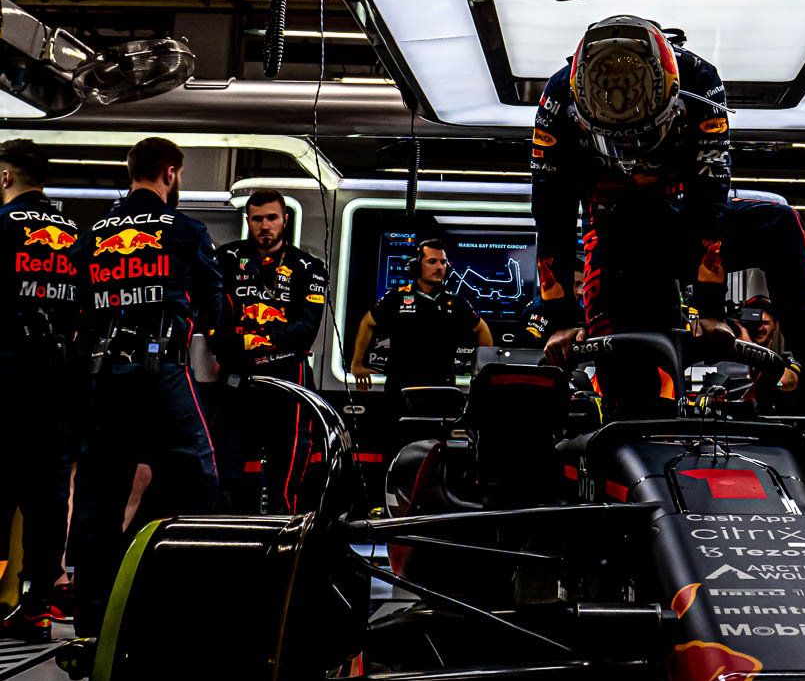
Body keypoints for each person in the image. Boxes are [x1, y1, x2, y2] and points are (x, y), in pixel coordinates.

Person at [530, 14, 805, 413]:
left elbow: (710, 202)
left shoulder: (701, 83)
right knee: (629, 394)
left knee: (778, 220)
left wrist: (711, 309)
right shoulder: (557, 101)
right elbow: (553, 216)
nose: (632, 159)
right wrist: (560, 318)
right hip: (613, 243)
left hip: (681, 224)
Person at [68, 137, 222, 638]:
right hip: (161, 377)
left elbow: (76, 309)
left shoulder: (90, 237)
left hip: (102, 379)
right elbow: (216, 308)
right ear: (171, 173)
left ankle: (92, 620)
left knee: (97, 496)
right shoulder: (185, 230)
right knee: (196, 480)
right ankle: (167, 604)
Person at [0, 140, 80, 641]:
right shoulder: (79, 235)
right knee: (49, 498)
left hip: (6, 374)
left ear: (6, 176)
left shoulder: (0, 227)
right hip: (61, 379)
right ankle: (37, 609)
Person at [210, 189, 329, 514]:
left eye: (272, 218)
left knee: (288, 472)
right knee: (223, 467)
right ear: (248, 220)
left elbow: (305, 330)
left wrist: (248, 339)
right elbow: (214, 322)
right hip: (239, 379)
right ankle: (218, 540)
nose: (265, 225)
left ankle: (286, 544)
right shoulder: (226, 259)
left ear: (285, 220)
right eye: (257, 218)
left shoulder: (309, 267)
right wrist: (241, 342)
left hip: (289, 378)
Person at [350, 238, 493, 394]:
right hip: (401, 385)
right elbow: (367, 322)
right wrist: (357, 364)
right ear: (417, 267)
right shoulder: (396, 297)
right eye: (432, 261)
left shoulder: (457, 302)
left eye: (443, 262)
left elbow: (482, 329)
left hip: (441, 387)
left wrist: (483, 372)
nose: (439, 267)